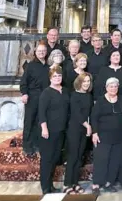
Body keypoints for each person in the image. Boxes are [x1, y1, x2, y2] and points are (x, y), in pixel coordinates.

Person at [38, 66, 70, 194]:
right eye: (55, 76)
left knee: (55, 158)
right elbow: (42, 112)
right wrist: (44, 128)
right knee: (47, 159)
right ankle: (45, 187)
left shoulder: (65, 91)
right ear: (50, 78)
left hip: (61, 130)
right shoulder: (46, 93)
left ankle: (50, 185)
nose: (57, 78)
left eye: (59, 76)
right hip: (49, 131)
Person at [91, 78, 122, 194]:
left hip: (118, 136)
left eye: (115, 86)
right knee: (101, 160)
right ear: (106, 87)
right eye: (111, 86)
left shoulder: (121, 100)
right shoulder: (100, 101)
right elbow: (94, 118)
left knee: (114, 161)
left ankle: (108, 183)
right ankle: (96, 184)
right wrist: (94, 133)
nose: (113, 88)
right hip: (102, 136)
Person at [63, 73, 93, 194]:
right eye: (84, 81)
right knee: (72, 157)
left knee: (79, 158)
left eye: (88, 81)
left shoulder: (88, 96)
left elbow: (89, 113)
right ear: (79, 82)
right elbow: (76, 113)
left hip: (84, 130)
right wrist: (88, 126)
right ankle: (67, 184)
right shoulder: (74, 95)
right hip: (75, 128)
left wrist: (88, 126)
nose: (86, 83)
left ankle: (75, 183)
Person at [20, 41, 49, 155]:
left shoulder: (48, 66)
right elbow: (24, 82)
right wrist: (24, 93)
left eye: (43, 51)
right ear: (35, 52)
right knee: (29, 121)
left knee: (40, 121)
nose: (41, 52)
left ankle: (37, 145)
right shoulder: (30, 65)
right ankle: (27, 146)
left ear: (46, 52)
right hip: (32, 96)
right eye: (39, 51)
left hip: (44, 97)